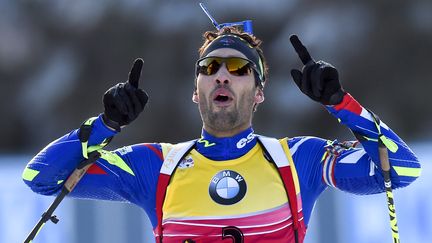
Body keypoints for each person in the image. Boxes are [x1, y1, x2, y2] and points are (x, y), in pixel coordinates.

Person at [23, 27, 421, 243]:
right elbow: (40, 179)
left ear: (259, 91)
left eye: (239, 67)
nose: (222, 74)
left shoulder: (298, 159)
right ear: (195, 90)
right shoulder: (156, 166)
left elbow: (402, 170)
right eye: (210, 66)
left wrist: (341, 102)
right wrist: (104, 126)